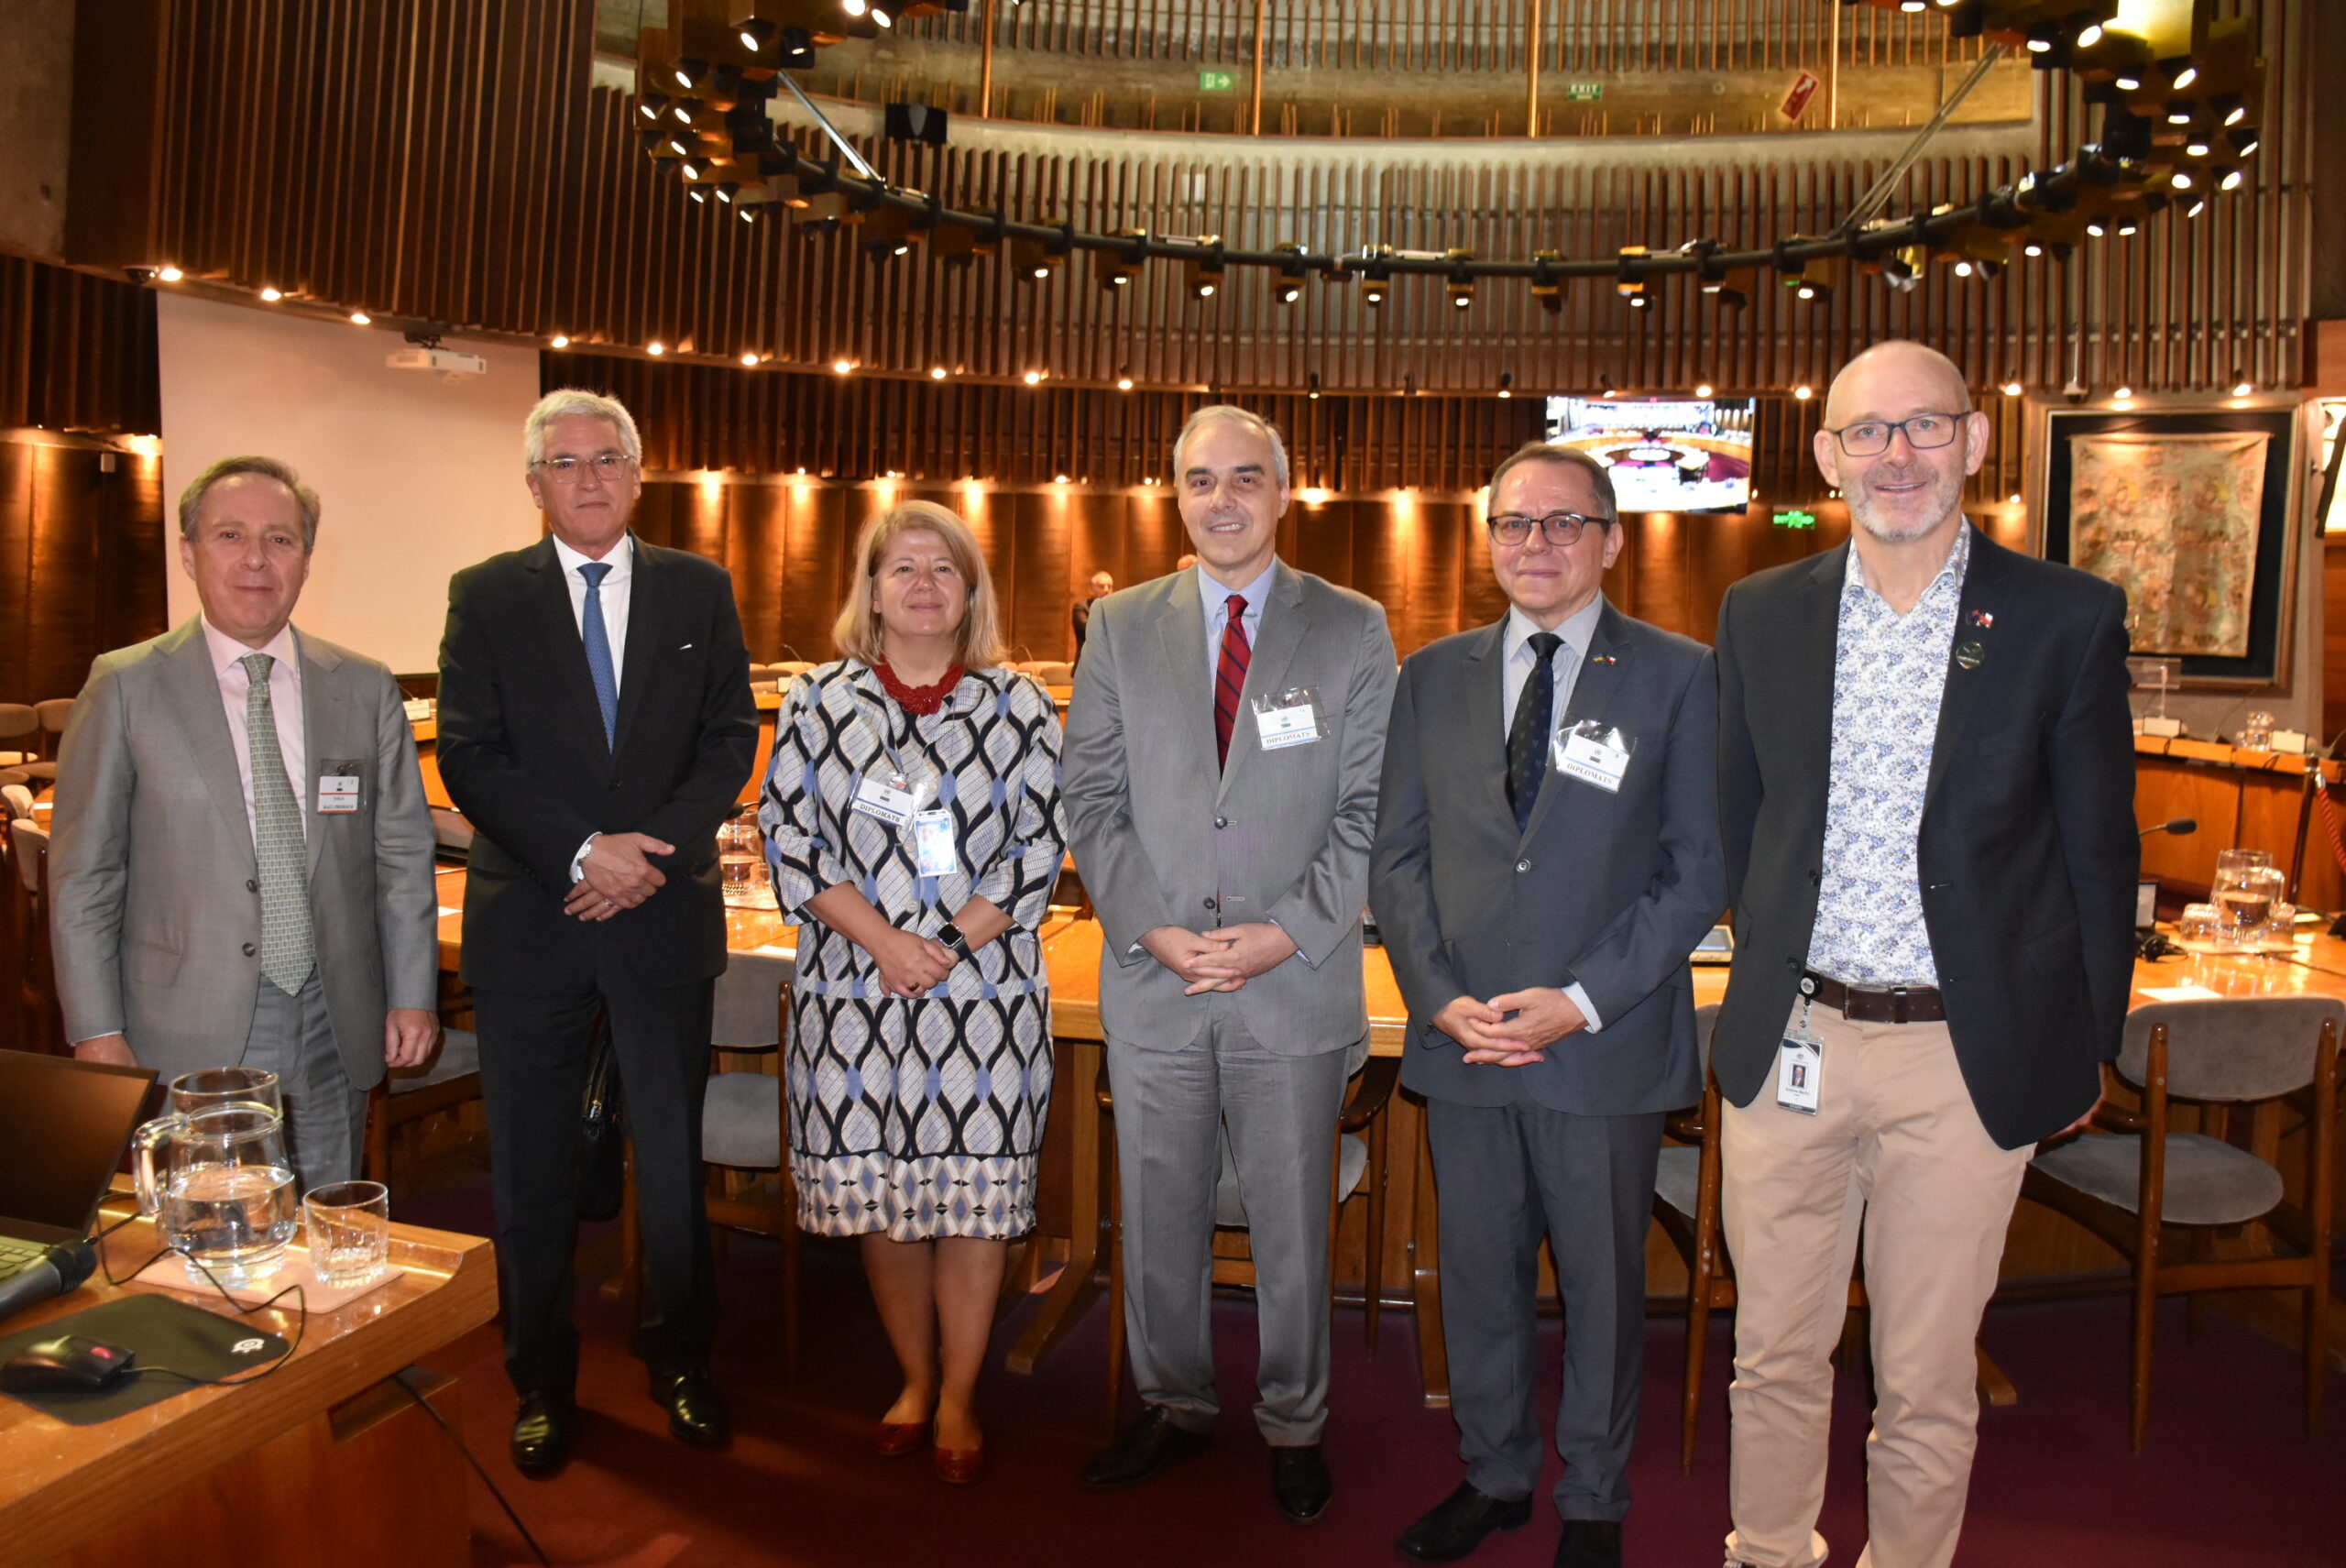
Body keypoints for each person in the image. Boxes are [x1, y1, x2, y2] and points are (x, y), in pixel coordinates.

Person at [1713, 340, 2136, 1568]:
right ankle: (1767, 1552)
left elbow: (2098, 848)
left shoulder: (2065, 615)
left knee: (1927, 1373)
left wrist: (2086, 1040)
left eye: (1926, 425)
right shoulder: (1762, 611)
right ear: (1826, 455)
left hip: (1965, 1056)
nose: (1897, 454)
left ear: (1975, 439)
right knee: (1772, 1354)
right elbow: (1742, 816)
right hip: (1791, 1044)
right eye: (1868, 431)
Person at [1369, 444, 1724, 1568]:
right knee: (1478, 1280)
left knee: (1602, 1291)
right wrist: (1439, 999)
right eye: (1514, 523)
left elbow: (1698, 870)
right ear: (1488, 540)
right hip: (1466, 1041)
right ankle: (1495, 1473)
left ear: (1610, 540)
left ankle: (1594, 1497)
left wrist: (1579, 999)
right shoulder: (1431, 675)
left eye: (1563, 522)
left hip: (1599, 1044)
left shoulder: (1680, 675)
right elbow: (1397, 860)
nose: (1536, 543)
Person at [1063, 405, 1396, 1525]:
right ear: (1176, 494)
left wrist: (1283, 931)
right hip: (1156, 976)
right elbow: (1090, 799)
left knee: (1291, 1221)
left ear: (1283, 491)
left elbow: (1369, 810)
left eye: (1245, 477)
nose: (1223, 499)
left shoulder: (1350, 627)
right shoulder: (1118, 625)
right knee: (1157, 1215)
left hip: (1289, 980)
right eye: (1201, 479)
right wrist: (1153, 928)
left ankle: (1294, 1421)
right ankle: (1173, 1401)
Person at [436, 389, 758, 1477]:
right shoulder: (486, 595)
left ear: (638, 473)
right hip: (535, 917)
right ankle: (540, 1378)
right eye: (565, 462)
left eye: (607, 457)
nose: (588, 477)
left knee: (669, 1158)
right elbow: (470, 755)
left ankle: (681, 1356)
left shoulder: (698, 587)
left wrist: (641, 858)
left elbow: (727, 743)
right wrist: (582, 852)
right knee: (530, 1167)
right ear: (534, 483)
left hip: (660, 915)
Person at [759, 499, 1066, 1485]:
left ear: (971, 591)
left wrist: (940, 944)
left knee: (974, 1204)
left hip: (985, 995)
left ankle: (961, 1393)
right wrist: (887, 942)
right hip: (855, 992)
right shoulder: (817, 699)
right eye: (903, 568)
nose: (924, 584)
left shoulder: (1019, 704)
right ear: (872, 590)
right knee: (883, 1197)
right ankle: (914, 1375)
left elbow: (1039, 846)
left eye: (944, 568)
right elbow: (789, 837)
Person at [49, 455, 438, 1191]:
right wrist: (97, 1030)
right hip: (184, 1025)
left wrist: (412, 991)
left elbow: (401, 855)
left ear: (307, 560)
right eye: (230, 535)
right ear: (189, 553)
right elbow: (85, 876)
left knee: (326, 1217)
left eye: (280, 539)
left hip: (334, 1015)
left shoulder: (362, 686)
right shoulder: (125, 685)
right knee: (208, 1228)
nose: (257, 558)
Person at [1072, 568, 1114, 658]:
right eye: (1101, 586)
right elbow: (1090, 629)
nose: (1106, 590)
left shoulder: (1115, 609)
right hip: (1085, 663)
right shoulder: (1081, 608)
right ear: (1091, 590)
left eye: (1109, 586)